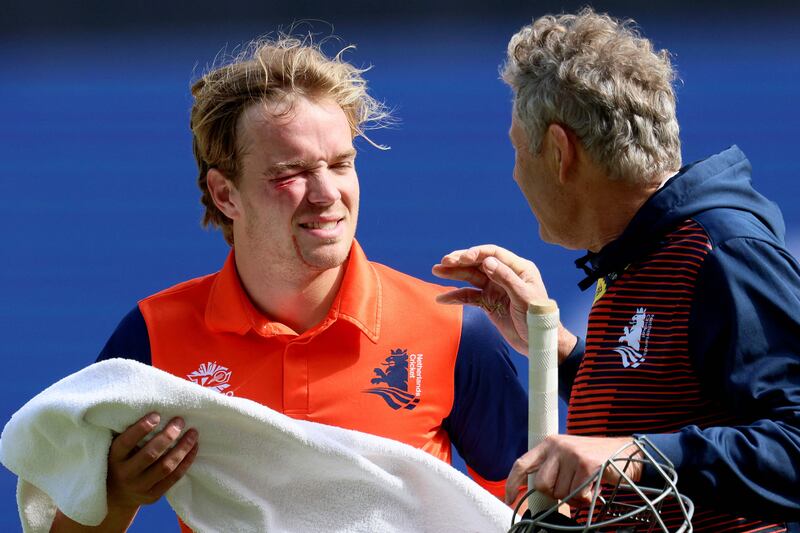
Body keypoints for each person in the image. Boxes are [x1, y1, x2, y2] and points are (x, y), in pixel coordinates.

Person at [50, 36, 527, 531]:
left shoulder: (457, 331)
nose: (326, 194)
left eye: (341, 164)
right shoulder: (151, 336)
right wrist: (119, 494)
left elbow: (533, 519)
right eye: (290, 173)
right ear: (225, 193)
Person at [433, 8, 800, 532]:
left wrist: (636, 456)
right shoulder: (641, 251)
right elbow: (674, 403)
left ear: (560, 151)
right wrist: (556, 349)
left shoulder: (722, 251)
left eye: (518, 149)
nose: (515, 172)